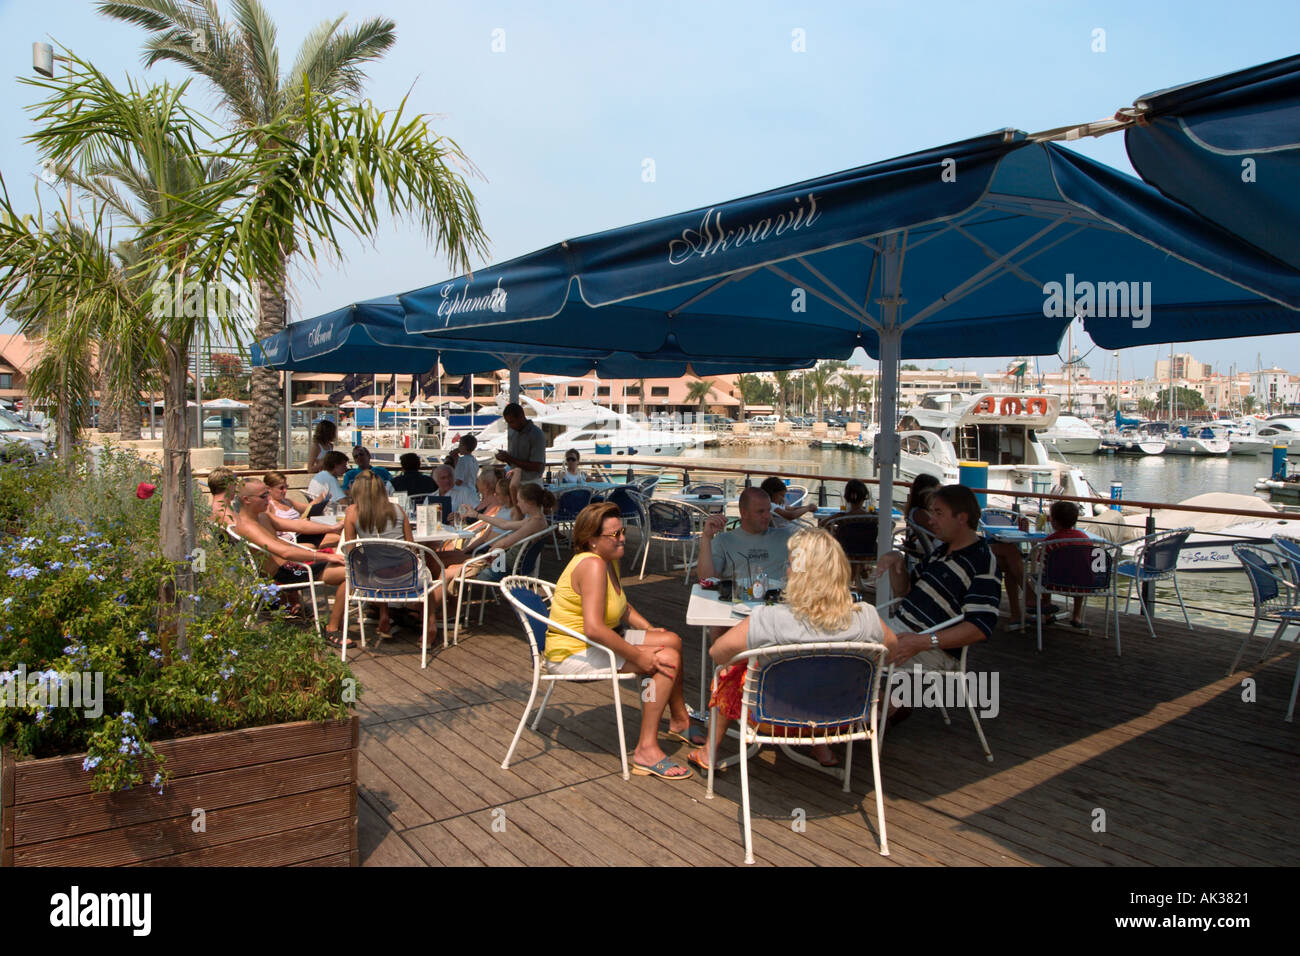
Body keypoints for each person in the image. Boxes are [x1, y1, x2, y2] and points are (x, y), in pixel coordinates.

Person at [688, 527, 898, 771]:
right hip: (844, 718)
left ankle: (709, 752)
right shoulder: (868, 619)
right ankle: (821, 744)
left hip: (774, 718)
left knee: (730, 672)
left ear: (798, 574)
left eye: (789, 564)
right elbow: (891, 653)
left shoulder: (770, 618)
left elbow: (718, 653)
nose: (786, 570)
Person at [543, 502, 700, 780]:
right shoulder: (592, 565)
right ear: (591, 541)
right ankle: (646, 750)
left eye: (622, 531)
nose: (622, 538)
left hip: (601, 640)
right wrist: (639, 656)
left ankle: (678, 720)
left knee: (671, 640)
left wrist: (651, 630)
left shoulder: (606, 559)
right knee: (666, 659)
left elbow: (623, 608)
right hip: (574, 651)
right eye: (613, 535)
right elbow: (593, 628)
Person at [874, 484, 1001, 682]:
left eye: (938, 513)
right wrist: (896, 562)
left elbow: (979, 627)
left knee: (849, 655)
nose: (931, 520)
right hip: (900, 631)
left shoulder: (982, 561)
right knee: (836, 638)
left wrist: (923, 641)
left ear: (962, 518)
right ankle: (886, 707)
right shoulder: (941, 552)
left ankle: (885, 707)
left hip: (932, 650)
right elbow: (904, 590)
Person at [329, 471, 434, 644]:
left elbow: (350, 551)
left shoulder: (353, 512)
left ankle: (384, 615)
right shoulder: (397, 509)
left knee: (374, 566)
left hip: (377, 581)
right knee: (429, 577)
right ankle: (430, 625)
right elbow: (412, 547)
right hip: (410, 579)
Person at [427, 483, 557, 620]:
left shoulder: (534, 523)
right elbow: (504, 525)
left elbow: (506, 542)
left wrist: (492, 550)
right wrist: (477, 515)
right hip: (502, 561)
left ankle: (428, 616)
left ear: (529, 502)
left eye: (519, 501)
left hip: (500, 566)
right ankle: (442, 611)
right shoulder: (537, 520)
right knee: (448, 564)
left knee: (447, 572)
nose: (517, 504)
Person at [232, 478, 347, 626]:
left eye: (267, 493)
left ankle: (340, 621)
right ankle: (333, 628)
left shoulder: (262, 516)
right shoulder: (247, 527)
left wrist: (332, 527)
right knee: (349, 573)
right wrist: (326, 556)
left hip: (294, 565)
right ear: (246, 500)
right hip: (285, 573)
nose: (268, 498)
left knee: (350, 566)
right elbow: (284, 552)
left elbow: (299, 526)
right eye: (263, 496)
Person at [1022, 500, 1091, 630]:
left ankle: (1048, 612)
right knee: (1079, 573)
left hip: (1054, 583)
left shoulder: (1050, 542)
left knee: (1046, 573)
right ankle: (1077, 615)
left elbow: (1040, 560)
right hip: (1082, 584)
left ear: (1054, 521)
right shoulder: (1085, 539)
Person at [264, 471, 341, 549]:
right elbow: (274, 525)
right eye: (281, 488)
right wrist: (300, 522)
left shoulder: (287, 501)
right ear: (268, 489)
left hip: (302, 532)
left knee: (337, 535)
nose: (285, 491)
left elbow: (308, 508)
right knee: (336, 538)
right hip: (292, 537)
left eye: (286, 487)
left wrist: (322, 497)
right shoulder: (268, 505)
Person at [494, 402, 546, 488]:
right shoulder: (513, 433)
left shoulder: (536, 434)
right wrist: (505, 458)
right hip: (515, 480)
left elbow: (537, 466)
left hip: (531, 483)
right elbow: (514, 461)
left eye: (512, 422)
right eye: (508, 423)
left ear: (521, 416)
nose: (510, 426)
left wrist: (509, 458)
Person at [446, 435, 480, 512]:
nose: (458, 447)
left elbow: (459, 481)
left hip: (462, 494)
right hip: (472, 491)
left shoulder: (463, 461)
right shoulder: (474, 460)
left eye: (460, 444)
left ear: (464, 446)